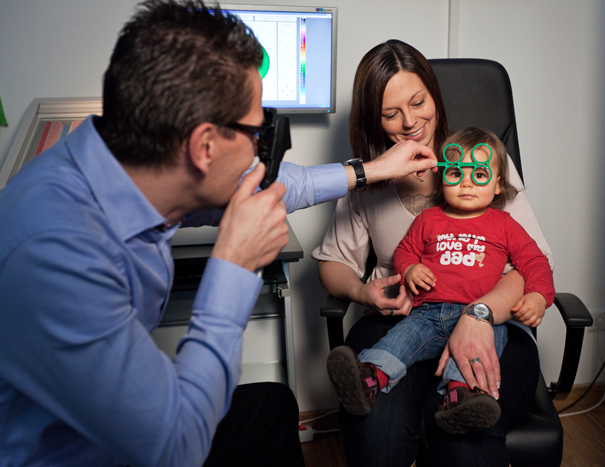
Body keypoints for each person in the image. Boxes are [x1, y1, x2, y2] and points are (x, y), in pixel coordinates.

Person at [0, 3, 437, 466]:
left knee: (272, 407)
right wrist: (234, 264)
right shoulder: (57, 254)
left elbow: (283, 185)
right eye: (259, 132)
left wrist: (370, 170)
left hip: (116, 425)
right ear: (204, 147)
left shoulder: (124, 159)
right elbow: (176, 448)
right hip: (88, 454)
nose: (260, 150)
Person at [312, 40, 553, 466]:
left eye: (418, 102)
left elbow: (531, 263)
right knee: (376, 430)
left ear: (435, 95)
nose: (410, 122)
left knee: (464, 436)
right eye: (390, 113)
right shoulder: (368, 178)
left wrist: (479, 315)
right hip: (404, 320)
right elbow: (334, 263)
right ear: (372, 117)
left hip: (492, 319)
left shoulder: (483, 161)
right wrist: (363, 292)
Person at [326, 127, 555, 436]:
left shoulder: (504, 224)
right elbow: (405, 251)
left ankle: (461, 398)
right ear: (442, 178)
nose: (466, 183)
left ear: (498, 185)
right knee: (401, 340)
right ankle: (368, 379)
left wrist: (539, 295)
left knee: (478, 356)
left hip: (480, 318)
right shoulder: (429, 219)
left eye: (480, 175)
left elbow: (535, 261)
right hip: (428, 313)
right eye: (456, 174)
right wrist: (410, 269)